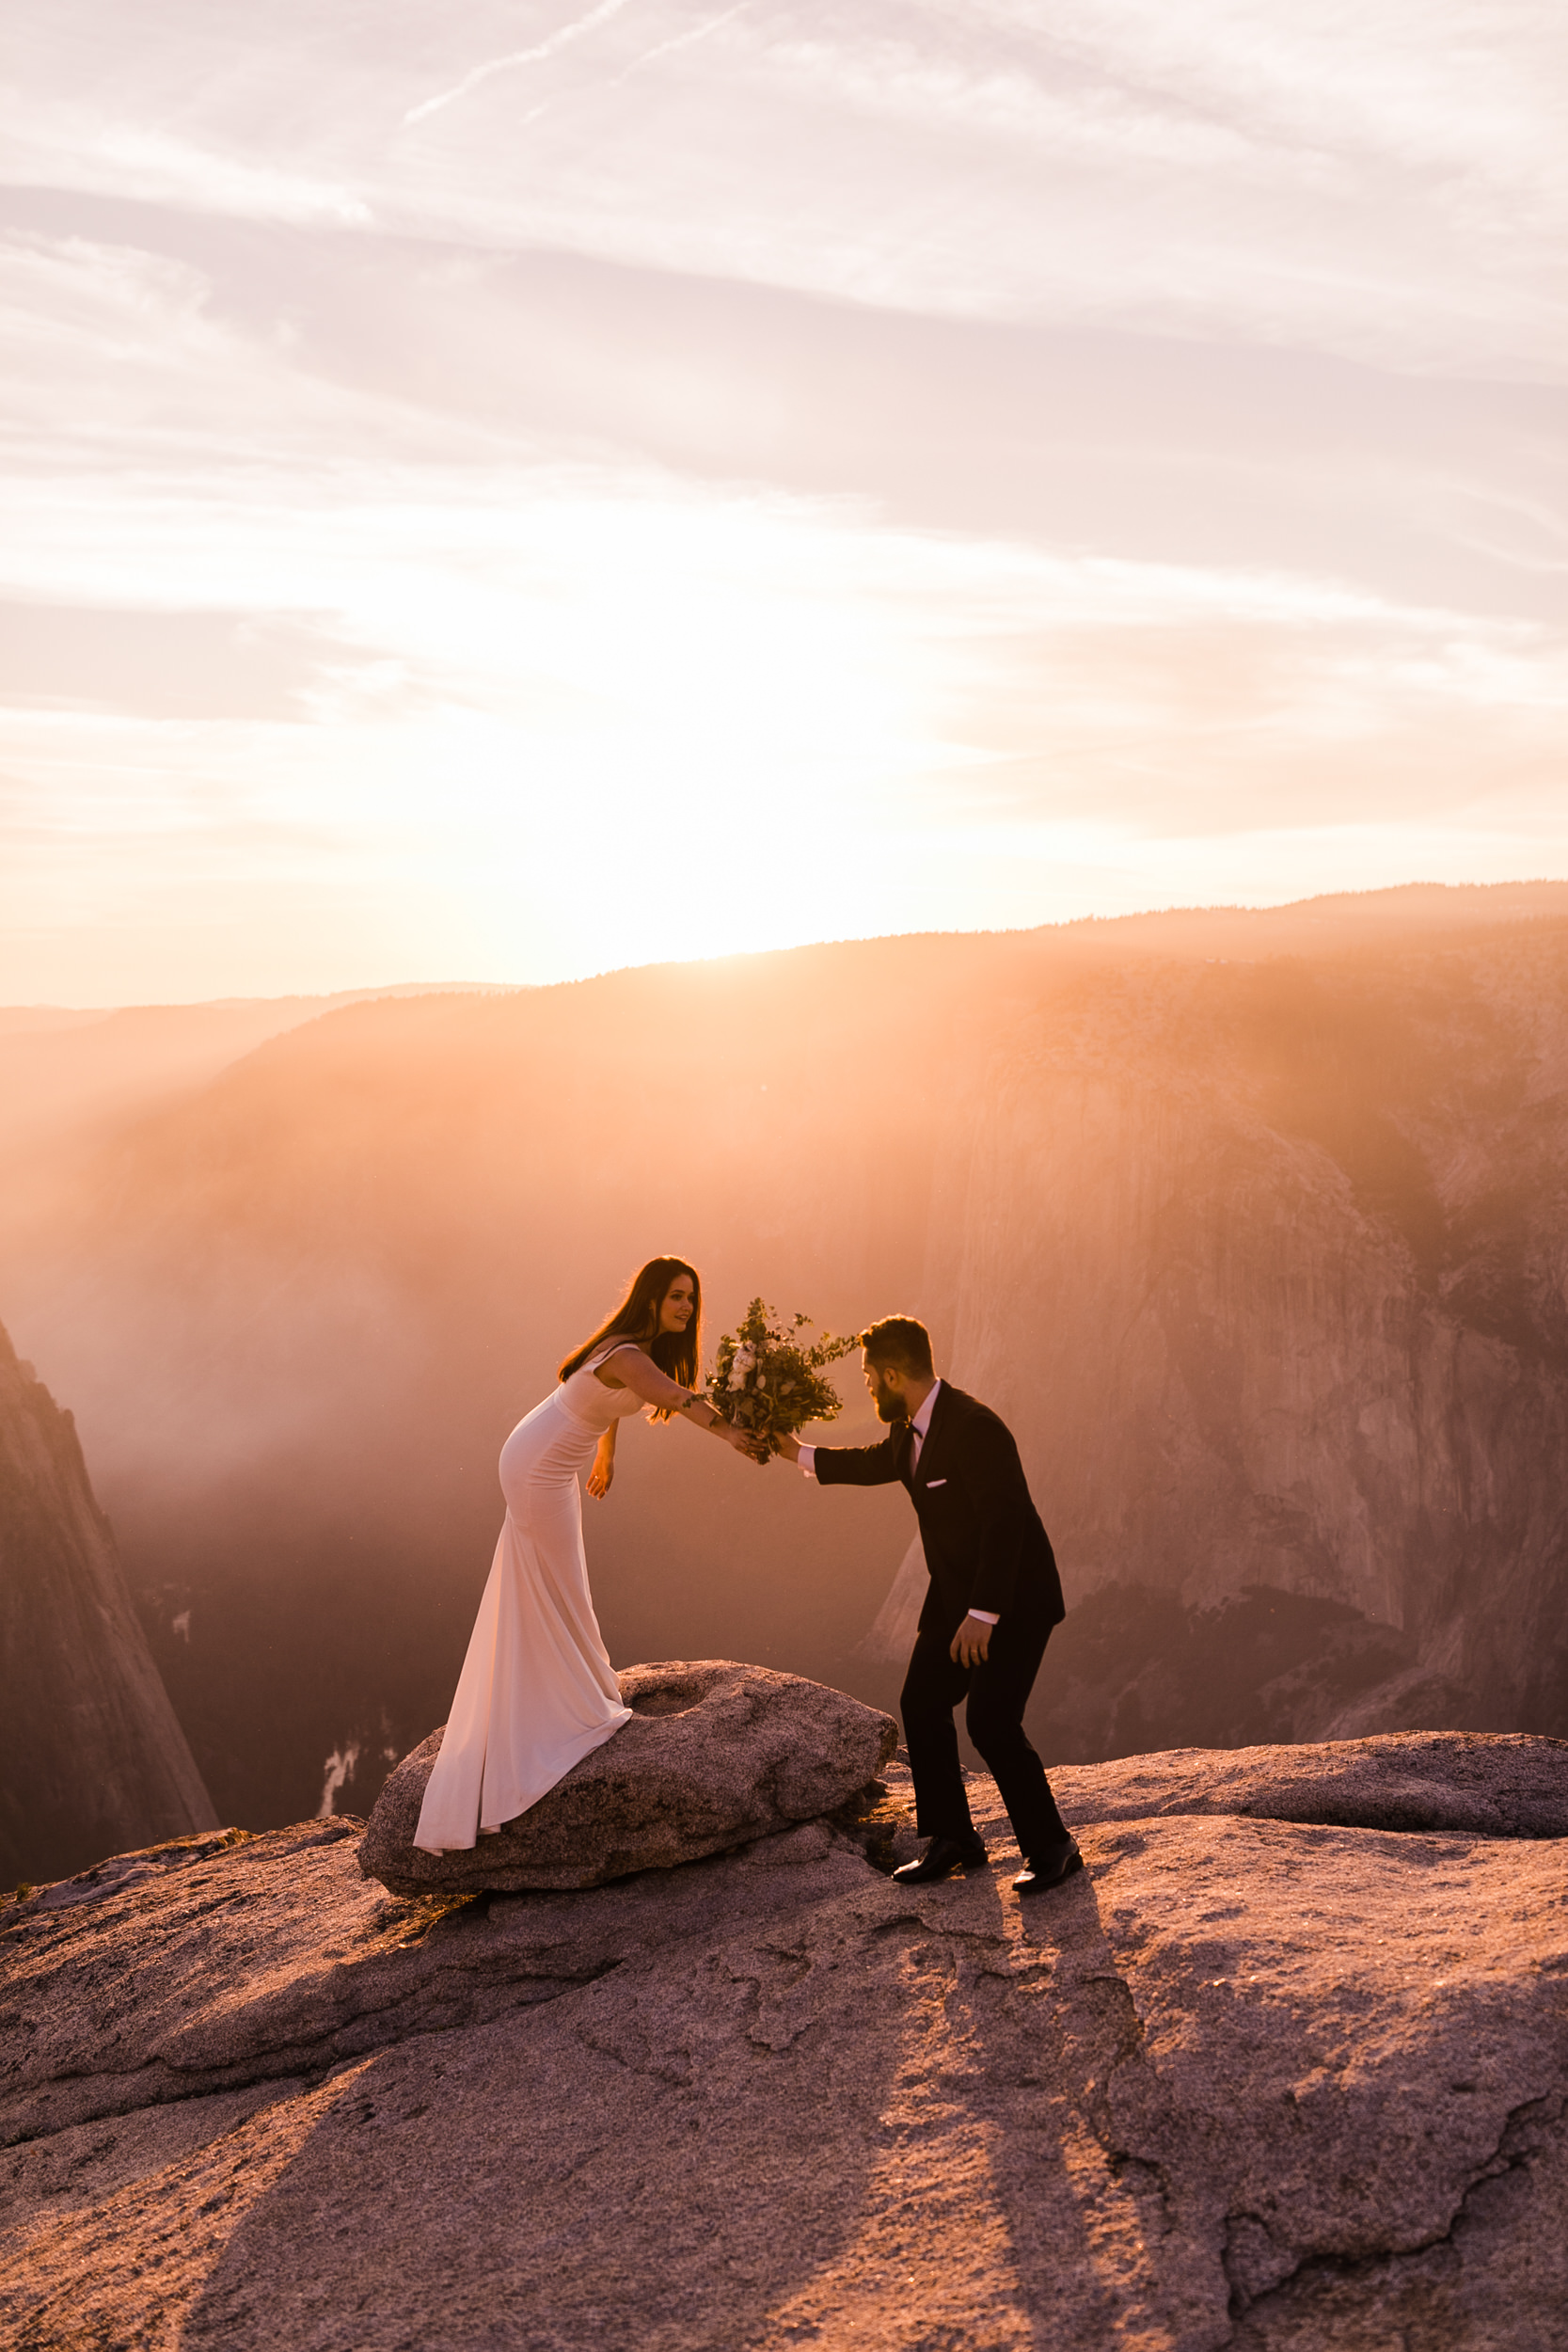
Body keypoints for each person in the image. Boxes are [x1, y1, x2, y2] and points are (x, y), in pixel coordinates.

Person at [414, 1256, 758, 1853]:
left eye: (692, 1300)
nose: (686, 1308)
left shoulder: (631, 1350)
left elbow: (616, 1403)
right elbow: (674, 1397)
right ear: (651, 1299)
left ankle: (559, 1697)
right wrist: (730, 1433)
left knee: (549, 1585)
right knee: (559, 1585)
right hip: (538, 1464)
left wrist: (606, 1454)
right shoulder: (629, 1354)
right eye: (677, 1296)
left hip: (552, 1462)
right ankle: (570, 1710)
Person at [775, 1315, 1078, 1897]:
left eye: (869, 1380)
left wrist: (983, 1614)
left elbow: (1005, 1522)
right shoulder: (910, 1427)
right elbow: (872, 1463)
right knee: (921, 1700)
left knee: (991, 1721)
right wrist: (794, 1452)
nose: (867, 1390)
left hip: (1014, 1598)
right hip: (956, 1596)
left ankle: (1052, 1847)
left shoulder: (974, 1427)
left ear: (892, 1375)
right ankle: (953, 1839)